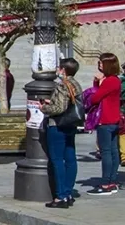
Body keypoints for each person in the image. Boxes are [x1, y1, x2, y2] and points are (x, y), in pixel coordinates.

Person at [40, 58, 82, 208]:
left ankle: (60, 196)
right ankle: (68, 192)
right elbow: (68, 102)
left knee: (57, 160)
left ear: (63, 70)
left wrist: (44, 108)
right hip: (71, 124)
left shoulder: (62, 84)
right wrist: (52, 102)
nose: (58, 70)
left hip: (58, 125)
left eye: (59, 68)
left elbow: (59, 108)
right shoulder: (75, 83)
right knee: (70, 158)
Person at [87, 53, 122, 196]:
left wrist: (97, 84)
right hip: (114, 119)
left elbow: (95, 98)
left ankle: (106, 183)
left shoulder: (109, 81)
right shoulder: (115, 80)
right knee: (113, 151)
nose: (99, 65)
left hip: (105, 120)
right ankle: (112, 181)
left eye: (101, 63)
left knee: (106, 152)